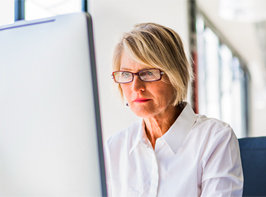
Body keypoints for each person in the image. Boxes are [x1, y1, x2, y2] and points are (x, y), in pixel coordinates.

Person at [103, 23, 243, 196]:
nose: (135, 87)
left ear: (175, 75)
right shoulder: (114, 147)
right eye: (125, 75)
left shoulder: (214, 138)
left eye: (148, 73)